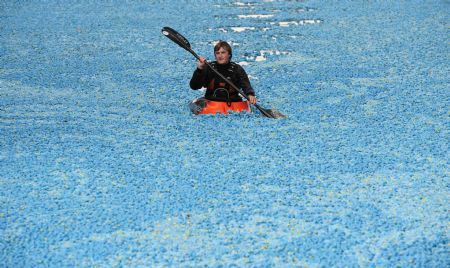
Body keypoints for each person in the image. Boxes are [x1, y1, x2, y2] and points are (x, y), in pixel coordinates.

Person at [189, 41, 257, 115]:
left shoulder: (237, 69)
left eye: (223, 52)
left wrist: (250, 94)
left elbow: (245, 84)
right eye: (217, 53)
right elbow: (194, 86)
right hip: (211, 102)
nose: (220, 55)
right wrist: (199, 69)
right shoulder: (209, 68)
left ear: (229, 55)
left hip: (233, 102)